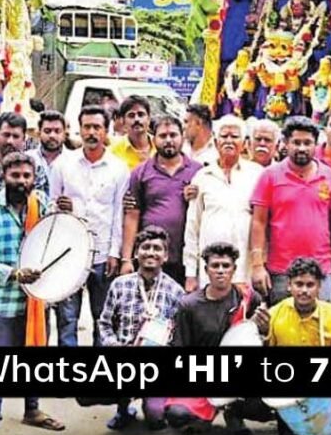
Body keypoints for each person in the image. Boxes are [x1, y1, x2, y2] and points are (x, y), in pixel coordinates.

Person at [0, 152, 65, 435]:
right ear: (3, 174)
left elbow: (60, 245)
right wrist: (13, 274)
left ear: (34, 177)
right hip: (2, 305)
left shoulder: (45, 207)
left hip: (37, 303)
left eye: (26, 176)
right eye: (15, 176)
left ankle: (32, 410)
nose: (21, 182)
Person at [168, 241, 272, 434]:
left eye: (226, 266)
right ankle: (205, 413)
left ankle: (234, 411)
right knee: (177, 415)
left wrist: (264, 331)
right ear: (206, 270)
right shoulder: (189, 305)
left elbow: (260, 344)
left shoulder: (248, 298)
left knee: (268, 408)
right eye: (215, 266)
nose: (221, 271)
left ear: (234, 269)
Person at [48, 105, 129, 346]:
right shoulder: (63, 164)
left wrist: (115, 253)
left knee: (102, 318)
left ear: (106, 131)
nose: (91, 132)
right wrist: (58, 207)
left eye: (97, 127)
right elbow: (50, 205)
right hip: (69, 252)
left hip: (103, 254)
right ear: (79, 130)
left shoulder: (118, 168)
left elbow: (118, 214)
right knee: (67, 318)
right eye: (87, 127)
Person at [98, 226, 185, 430]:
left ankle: (153, 405)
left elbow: (178, 336)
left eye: (157, 248)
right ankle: (123, 409)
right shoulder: (120, 285)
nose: (151, 252)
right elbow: (104, 323)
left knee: (155, 418)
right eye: (146, 247)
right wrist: (113, 345)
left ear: (165, 256)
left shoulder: (175, 292)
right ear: (137, 253)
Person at [250, 117, 331, 304]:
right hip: (282, 271)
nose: (301, 148)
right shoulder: (270, 176)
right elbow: (258, 222)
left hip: (320, 270)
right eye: (296, 142)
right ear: (285, 144)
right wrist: (257, 266)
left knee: (320, 328)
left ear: (316, 144)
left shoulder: (329, 176)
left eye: (307, 143)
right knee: (281, 328)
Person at [265, 257, 331, 435]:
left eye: (310, 285)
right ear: (288, 285)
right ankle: (284, 433)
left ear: (319, 286)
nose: (304, 290)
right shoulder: (274, 314)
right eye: (298, 284)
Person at [183, 116, 263, 292]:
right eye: (224, 136)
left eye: (234, 136)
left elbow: (263, 222)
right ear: (216, 142)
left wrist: (261, 265)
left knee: (243, 316)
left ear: (244, 143)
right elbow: (192, 227)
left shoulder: (257, 175)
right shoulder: (202, 177)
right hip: (210, 269)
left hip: (245, 268)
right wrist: (190, 273)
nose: (229, 141)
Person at [121, 115, 202, 286]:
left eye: (173, 135)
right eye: (163, 136)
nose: (168, 141)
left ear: (182, 136)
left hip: (185, 258)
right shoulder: (141, 173)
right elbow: (132, 215)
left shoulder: (199, 172)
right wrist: (126, 259)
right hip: (150, 257)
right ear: (154, 138)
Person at [0, 112, 48, 198]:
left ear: (24, 139)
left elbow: (41, 203)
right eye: (6, 135)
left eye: (16, 136)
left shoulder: (35, 168)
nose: (10, 141)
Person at [25, 110, 68, 194]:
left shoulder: (74, 161)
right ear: (39, 133)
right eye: (47, 131)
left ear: (64, 134)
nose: (52, 136)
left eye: (57, 131)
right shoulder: (27, 159)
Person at [109, 95, 154, 171]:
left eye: (141, 114)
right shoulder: (113, 151)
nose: (137, 119)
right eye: (131, 115)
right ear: (123, 121)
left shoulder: (160, 145)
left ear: (149, 119)